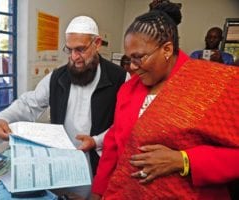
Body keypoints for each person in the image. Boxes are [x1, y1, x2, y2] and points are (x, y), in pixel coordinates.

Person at [91, 2, 239, 200]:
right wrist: (99, 191)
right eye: (129, 59)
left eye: (139, 58)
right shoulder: (128, 90)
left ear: (167, 49)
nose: (133, 67)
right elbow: (114, 143)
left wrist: (183, 160)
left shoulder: (211, 84)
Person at [0, 15, 126, 198]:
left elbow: (124, 126)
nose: (74, 57)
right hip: (61, 165)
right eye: (69, 50)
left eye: (80, 49)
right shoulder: (58, 77)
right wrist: (1, 119)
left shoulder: (119, 79)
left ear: (97, 43)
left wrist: (96, 140)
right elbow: (30, 103)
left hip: (97, 164)